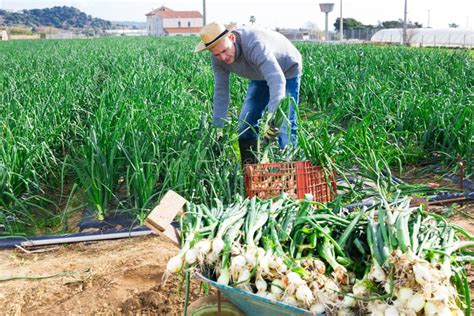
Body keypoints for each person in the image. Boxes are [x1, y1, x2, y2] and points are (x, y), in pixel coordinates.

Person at [195, 21, 302, 165]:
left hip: (286, 69)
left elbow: (277, 80)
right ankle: (251, 173)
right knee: (245, 123)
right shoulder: (218, 59)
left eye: (225, 50)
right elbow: (221, 91)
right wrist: (218, 125)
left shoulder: (254, 44)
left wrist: (272, 117)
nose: (223, 57)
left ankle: (291, 176)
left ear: (231, 38)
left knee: (284, 127)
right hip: (259, 75)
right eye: (217, 54)